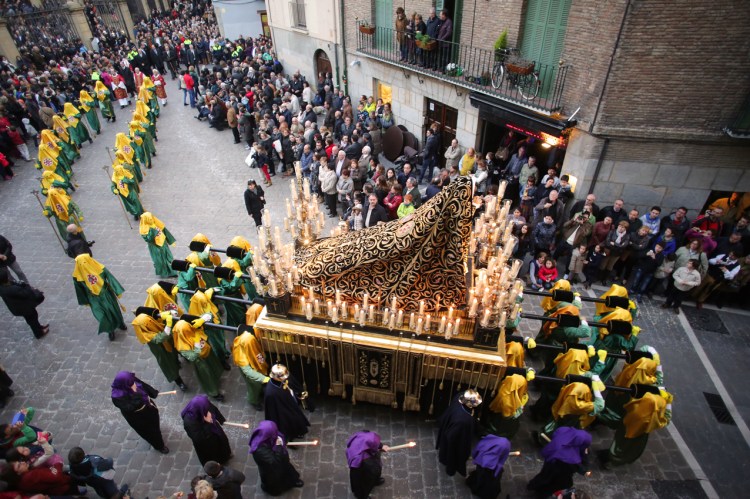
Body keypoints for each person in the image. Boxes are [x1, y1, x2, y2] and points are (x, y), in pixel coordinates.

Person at [110, 371, 169, 455]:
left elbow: (142, 384)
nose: (134, 383)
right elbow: (130, 408)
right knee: (148, 432)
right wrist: (137, 394)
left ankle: (157, 432)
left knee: (155, 423)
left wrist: (152, 392)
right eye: (131, 383)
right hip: (138, 418)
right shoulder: (117, 397)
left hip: (148, 407)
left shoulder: (130, 380)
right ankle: (159, 446)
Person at [132, 307, 188, 391]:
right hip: (161, 350)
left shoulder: (150, 320)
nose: (151, 323)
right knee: (168, 365)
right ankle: (179, 381)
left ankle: (178, 362)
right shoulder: (145, 334)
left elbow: (156, 314)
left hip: (169, 341)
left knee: (175, 353)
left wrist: (167, 313)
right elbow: (160, 338)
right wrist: (168, 325)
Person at [72, 254, 126, 341]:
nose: (84, 265)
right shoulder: (77, 276)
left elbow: (110, 278)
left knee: (114, 310)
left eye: (85, 262)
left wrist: (117, 290)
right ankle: (110, 330)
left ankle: (120, 323)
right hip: (93, 299)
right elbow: (79, 290)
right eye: (81, 263)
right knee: (102, 315)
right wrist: (85, 301)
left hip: (106, 294)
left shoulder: (100, 268)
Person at [527, 427, 592, 497]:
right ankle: (541, 494)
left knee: (544, 476)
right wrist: (585, 455)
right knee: (554, 484)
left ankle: (533, 486)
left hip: (550, 462)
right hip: (561, 471)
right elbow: (583, 469)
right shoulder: (572, 458)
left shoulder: (565, 432)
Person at [172, 316, 226, 400]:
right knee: (207, 376)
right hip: (200, 361)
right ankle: (214, 393)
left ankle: (216, 379)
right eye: (187, 329)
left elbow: (206, 319)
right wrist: (197, 346)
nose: (190, 329)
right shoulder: (182, 346)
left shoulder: (191, 330)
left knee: (213, 368)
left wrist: (202, 320)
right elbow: (192, 357)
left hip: (207, 353)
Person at [249, 420, 304, 495]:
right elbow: (274, 461)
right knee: (275, 480)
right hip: (271, 469)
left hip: (281, 463)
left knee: (286, 471)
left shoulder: (267, 436)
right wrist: (278, 445)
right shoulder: (260, 449)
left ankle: (292, 481)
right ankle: (274, 490)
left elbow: (279, 437)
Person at [436, 389, 482, 477]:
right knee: (452, 454)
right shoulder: (463, 420)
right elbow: (452, 437)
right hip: (454, 437)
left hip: (452, 425)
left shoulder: (460, 396)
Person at [233, 304, 270, 411]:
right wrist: (264, 379)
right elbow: (249, 372)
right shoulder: (241, 354)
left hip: (259, 368)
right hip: (253, 375)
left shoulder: (250, 340)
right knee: (254, 388)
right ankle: (254, 400)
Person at [181, 394, 232, 466]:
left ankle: (226, 456)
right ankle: (217, 465)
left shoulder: (204, 405)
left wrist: (221, 419)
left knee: (223, 443)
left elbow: (214, 409)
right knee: (213, 454)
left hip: (215, 430)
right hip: (207, 442)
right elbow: (198, 438)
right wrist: (208, 422)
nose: (207, 410)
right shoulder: (189, 422)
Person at [264, 363, 310, 441]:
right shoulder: (271, 392)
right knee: (287, 425)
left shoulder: (281, 380)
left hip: (290, 403)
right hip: (282, 411)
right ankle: (289, 438)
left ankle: (298, 432)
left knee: (296, 418)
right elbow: (273, 410)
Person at [0, 268, 48, 339]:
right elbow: (26, 293)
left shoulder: (2, 288)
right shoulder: (13, 289)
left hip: (19, 307)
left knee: (31, 319)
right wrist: (25, 286)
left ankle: (39, 327)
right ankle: (39, 333)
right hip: (24, 307)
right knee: (33, 319)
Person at [466, 435, 511, 499]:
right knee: (487, 481)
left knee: (480, 476)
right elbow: (501, 461)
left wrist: (474, 457)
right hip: (490, 467)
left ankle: (477, 486)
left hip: (481, 462)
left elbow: (477, 449)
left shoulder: (489, 439)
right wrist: (496, 472)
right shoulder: (506, 446)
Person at [347, 430, 388, 499]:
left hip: (368, 461)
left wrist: (381, 446)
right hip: (362, 468)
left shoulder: (362, 437)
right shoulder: (358, 458)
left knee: (374, 473)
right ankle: (361, 496)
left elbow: (372, 441)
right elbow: (372, 468)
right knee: (362, 483)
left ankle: (375, 480)